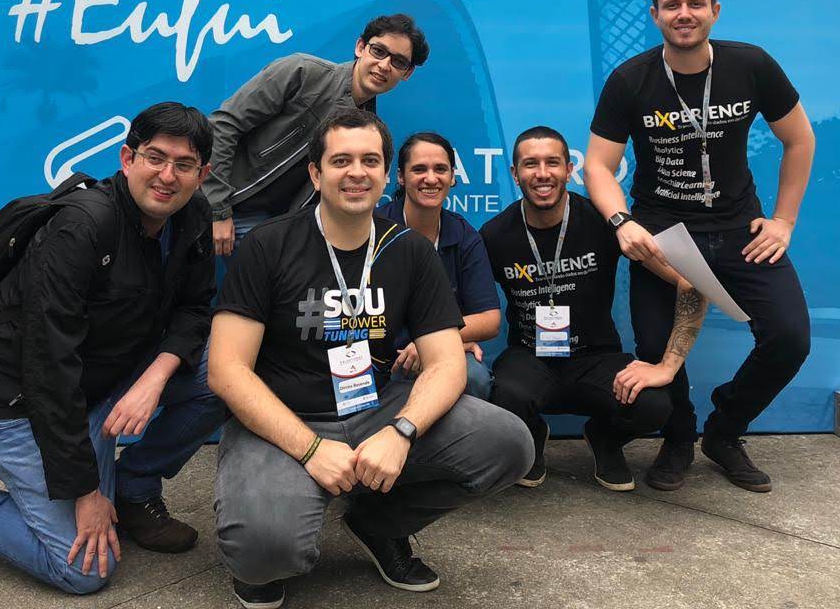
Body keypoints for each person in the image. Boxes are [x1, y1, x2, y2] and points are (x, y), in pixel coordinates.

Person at [0, 103, 226, 594]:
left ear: (202, 174)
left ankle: (133, 491)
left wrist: (155, 378)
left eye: (184, 165)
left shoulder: (191, 216)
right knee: (83, 570)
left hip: (103, 381)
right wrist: (84, 491)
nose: (167, 176)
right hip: (18, 400)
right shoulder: (82, 227)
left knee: (227, 374)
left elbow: (194, 307)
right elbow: (48, 366)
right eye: (155, 158)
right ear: (128, 158)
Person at [209, 108, 533, 609]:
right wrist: (311, 450)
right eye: (340, 160)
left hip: (376, 409)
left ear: (386, 176)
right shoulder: (269, 245)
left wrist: (401, 432)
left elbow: (447, 363)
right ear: (315, 173)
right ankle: (268, 543)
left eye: (370, 160)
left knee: (509, 444)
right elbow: (226, 368)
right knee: (265, 552)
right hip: (286, 418)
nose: (356, 172)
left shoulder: (409, 249)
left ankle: (379, 523)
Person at [583, 0, 815, 494]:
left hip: (741, 230)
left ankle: (725, 431)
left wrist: (783, 220)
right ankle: (679, 437)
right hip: (662, 233)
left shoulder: (751, 64)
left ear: (715, 10)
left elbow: (800, 139)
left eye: (695, 4)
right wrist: (621, 221)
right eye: (672, 5)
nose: (683, 13)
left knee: (789, 338)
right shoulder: (631, 79)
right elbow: (597, 165)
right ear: (655, 15)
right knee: (655, 343)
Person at [482, 126, 673, 492]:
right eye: (530, 164)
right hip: (531, 356)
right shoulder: (494, 235)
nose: (542, 173)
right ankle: (531, 435)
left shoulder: (603, 223)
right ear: (515, 174)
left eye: (552, 163)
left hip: (596, 357)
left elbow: (672, 274)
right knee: (503, 394)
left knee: (653, 404)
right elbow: (471, 299)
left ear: (569, 170)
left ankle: (604, 436)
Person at [205, 14, 429, 257]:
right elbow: (223, 125)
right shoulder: (301, 71)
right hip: (232, 204)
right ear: (360, 47)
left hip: (284, 229)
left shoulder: (369, 126)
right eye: (378, 51)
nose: (384, 65)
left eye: (398, 62)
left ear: (407, 73)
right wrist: (218, 210)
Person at [380, 131, 501, 399]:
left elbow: (490, 319)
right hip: (380, 352)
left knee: (476, 378)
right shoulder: (375, 229)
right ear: (401, 176)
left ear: (453, 177)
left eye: (440, 169)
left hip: (440, 348)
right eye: (419, 169)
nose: (431, 178)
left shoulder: (464, 235)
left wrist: (437, 341)